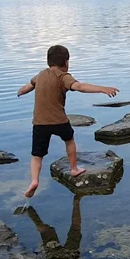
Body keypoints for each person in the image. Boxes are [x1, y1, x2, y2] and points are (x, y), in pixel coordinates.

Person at [17, 45, 119, 198]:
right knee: (69, 140)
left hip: (39, 123)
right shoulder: (63, 76)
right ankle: (73, 169)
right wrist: (103, 89)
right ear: (66, 62)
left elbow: (28, 87)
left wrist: (20, 92)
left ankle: (34, 180)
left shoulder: (40, 75)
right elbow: (80, 87)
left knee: (37, 155)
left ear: (48, 62)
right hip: (59, 121)